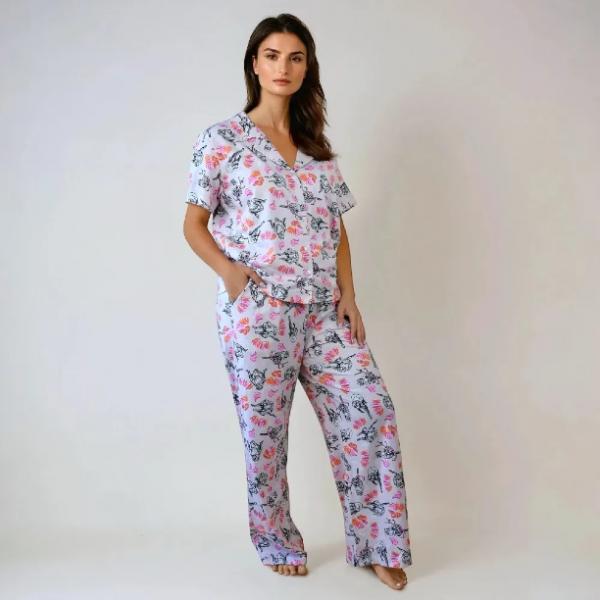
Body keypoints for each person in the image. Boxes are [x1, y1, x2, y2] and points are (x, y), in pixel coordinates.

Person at [182, 13, 412, 591]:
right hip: (257, 313)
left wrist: (350, 296)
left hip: (324, 312)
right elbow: (193, 224)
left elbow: (337, 228)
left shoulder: (317, 150)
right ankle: (276, 539)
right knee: (265, 435)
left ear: (307, 68)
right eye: (272, 55)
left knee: (370, 410)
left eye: (295, 57)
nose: (283, 67)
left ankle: (378, 541)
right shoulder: (223, 140)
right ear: (254, 65)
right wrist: (230, 274)